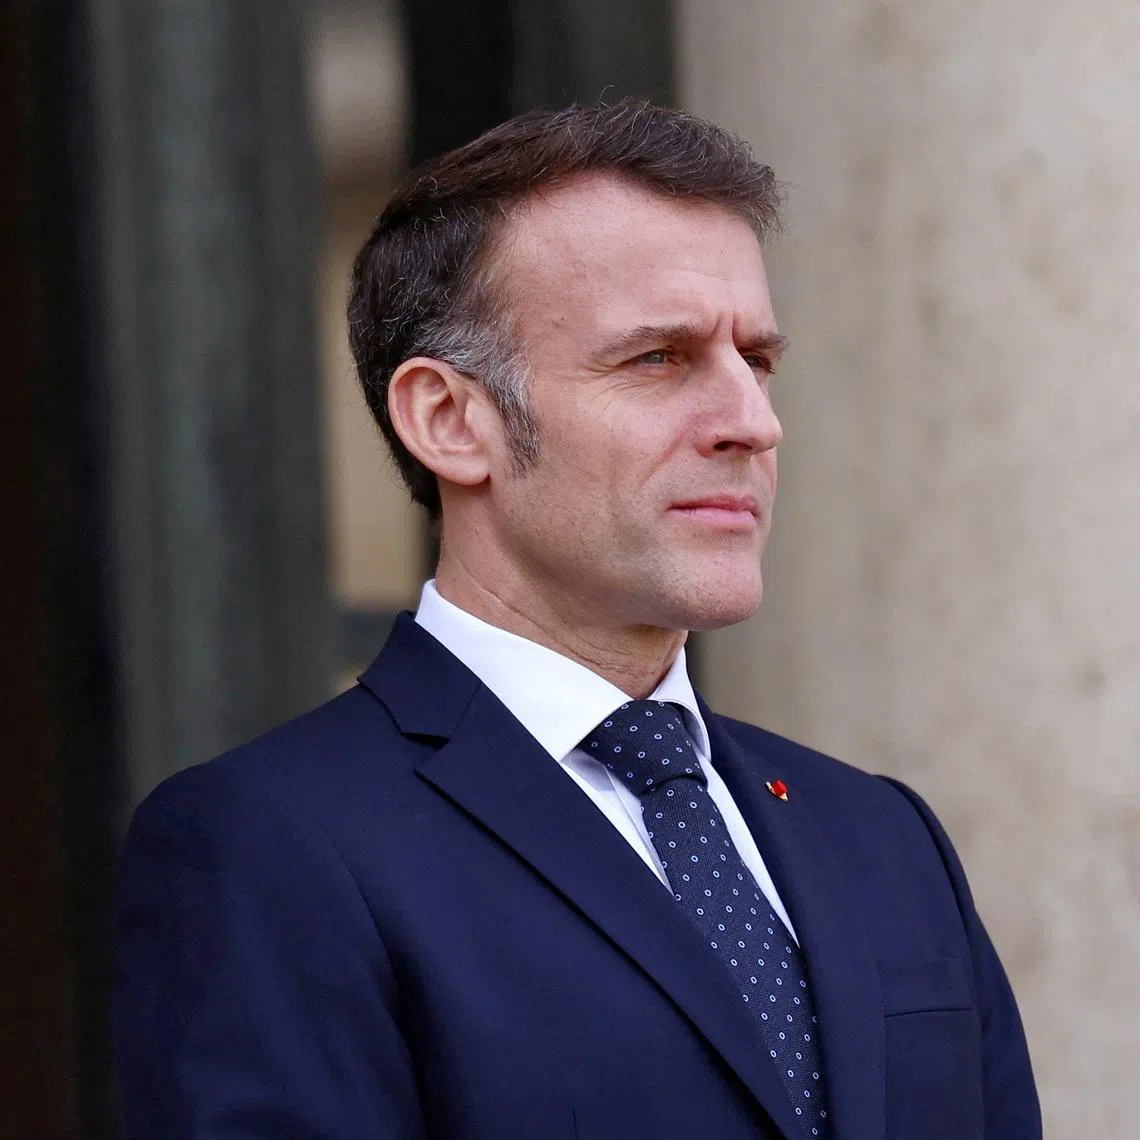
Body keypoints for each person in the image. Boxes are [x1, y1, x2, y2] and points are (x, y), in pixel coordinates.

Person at [112, 100, 1041, 1140]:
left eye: (758, 360)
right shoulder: (272, 848)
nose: (752, 421)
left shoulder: (884, 837)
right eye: (658, 359)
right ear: (450, 420)